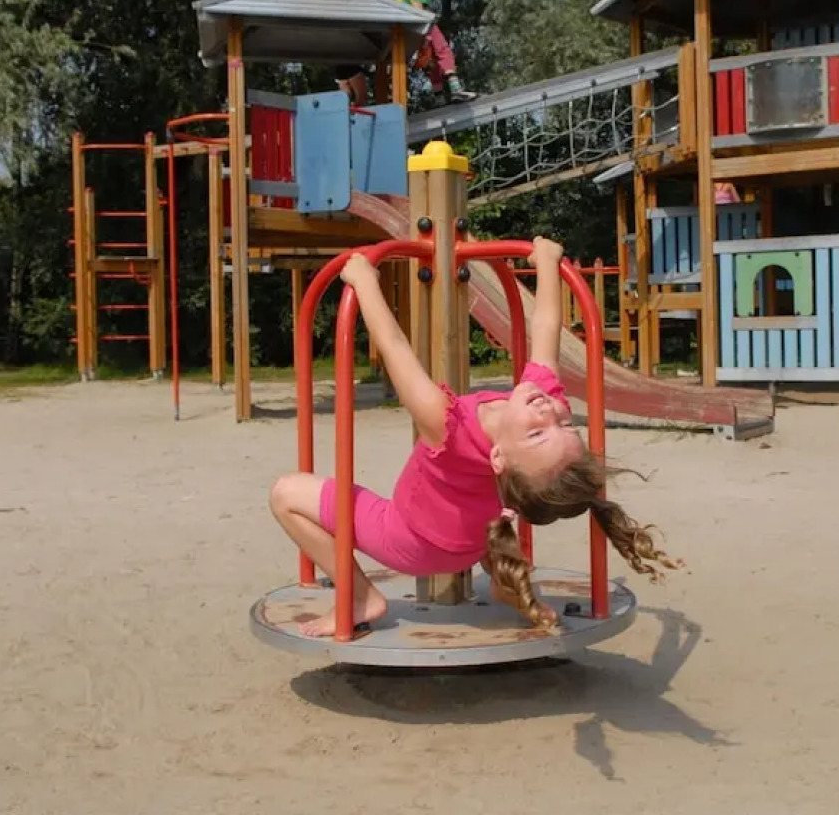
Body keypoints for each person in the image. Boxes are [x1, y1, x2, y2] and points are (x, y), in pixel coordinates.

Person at [268, 237, 679, 637]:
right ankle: (507, 585)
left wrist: (366, 282)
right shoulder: (543, 400)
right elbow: (547, 325)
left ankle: (360, 597)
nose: (548, 413)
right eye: (565, 424)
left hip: (409, 541)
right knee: (484, 510)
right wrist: (549, 266)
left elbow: (394, 347)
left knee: (285, 495)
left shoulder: (445, 423)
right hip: (478, 541)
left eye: (538, 433)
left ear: (499, 458)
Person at [396, 0, 476, 104]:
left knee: (431, 59)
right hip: (420, 23)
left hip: (405, 28)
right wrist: (425, 28)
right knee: (444, 51)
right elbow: (417, 5)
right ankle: (456, 90)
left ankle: (439, 97)